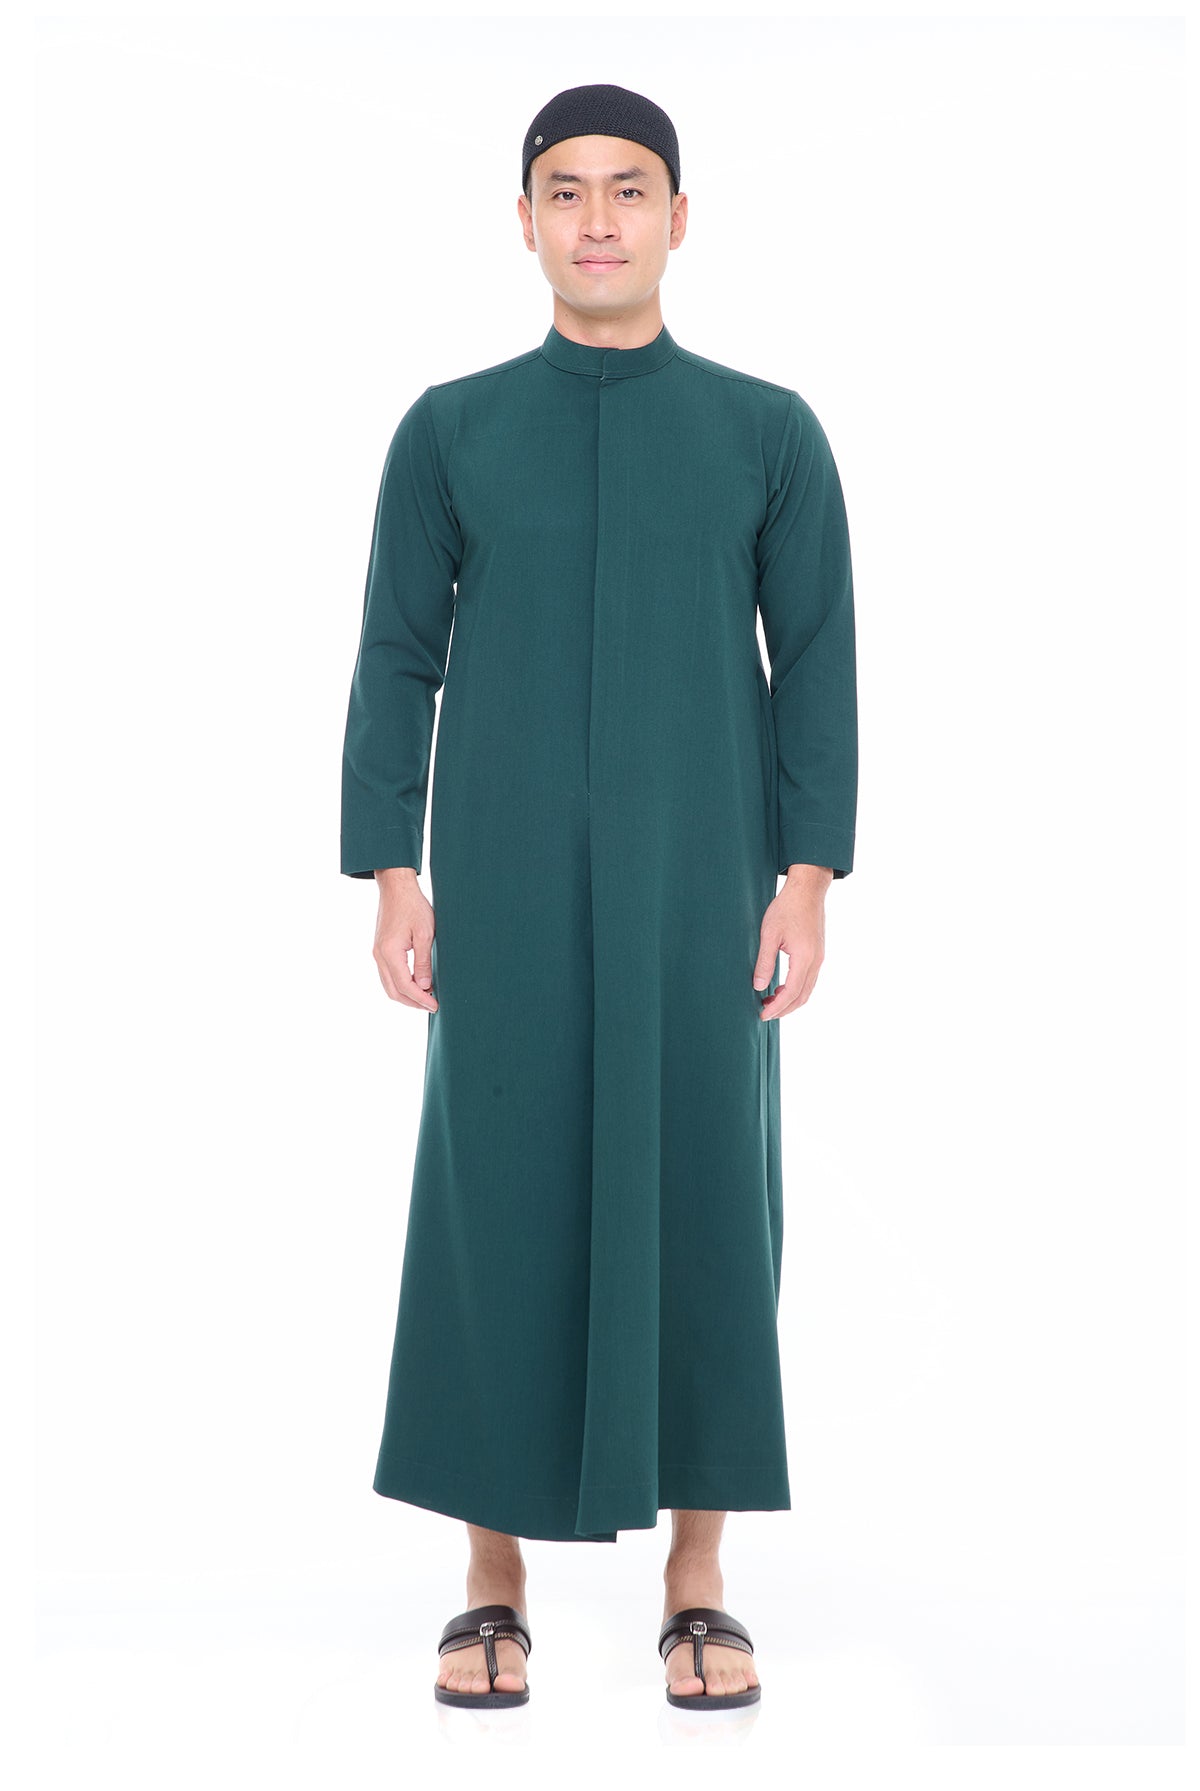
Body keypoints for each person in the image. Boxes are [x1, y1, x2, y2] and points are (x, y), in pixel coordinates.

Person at [340, 82, 858, 1710]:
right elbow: (398, 656)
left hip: (706, 889)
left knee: (708, 1196)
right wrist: (393, 869)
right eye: (565, 191)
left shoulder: (769, 433)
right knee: (496, 1195)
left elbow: (815, 663)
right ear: (524, 222)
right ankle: (489, 1579)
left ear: (679, 218)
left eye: (629, 189)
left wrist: (809, 876)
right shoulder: (451, 430)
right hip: (498, 885)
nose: (599, 219)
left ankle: (698, 1579)